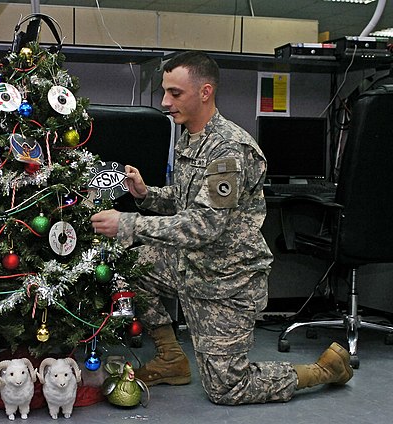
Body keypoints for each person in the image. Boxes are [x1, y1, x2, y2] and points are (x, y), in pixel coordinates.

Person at [90, 51, 353, 405]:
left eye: (175, 93)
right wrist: (146, 194)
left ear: (205, 91)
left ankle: (324, 371)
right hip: (191, 264)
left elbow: (203, 225)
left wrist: (128, 223)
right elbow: (188, 203)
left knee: (228, 389)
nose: (166, 103)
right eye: (165, 92)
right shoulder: (190, 137)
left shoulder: (228, 149)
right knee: (129, 269)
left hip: (227, 282)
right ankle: (171, 359)